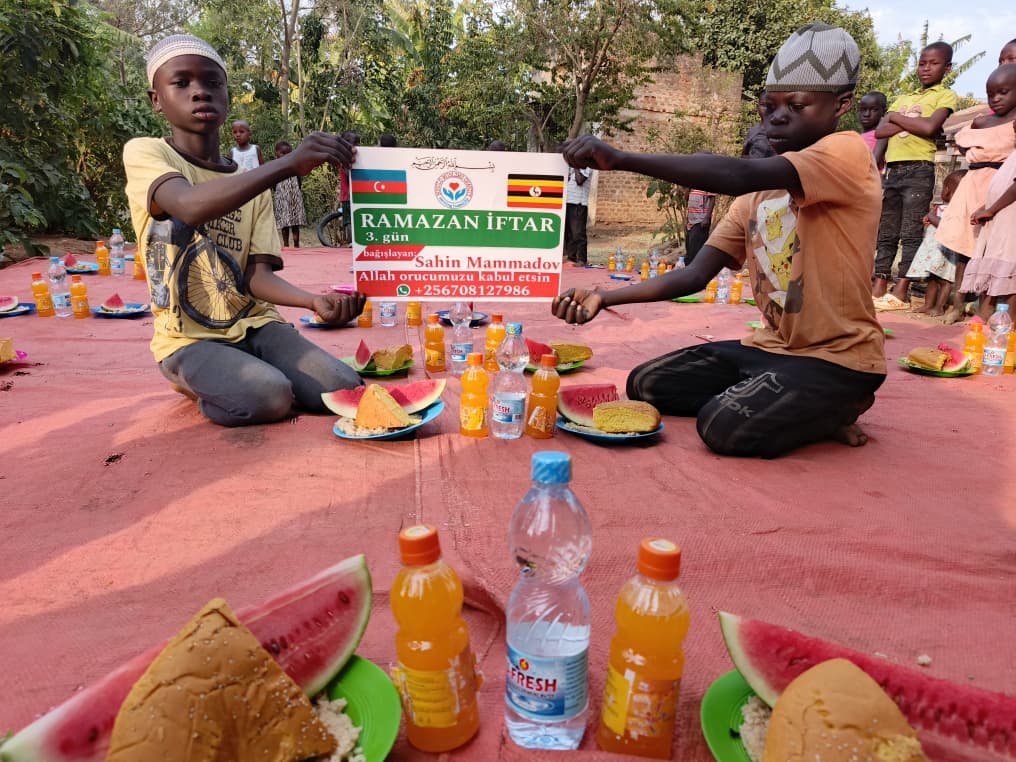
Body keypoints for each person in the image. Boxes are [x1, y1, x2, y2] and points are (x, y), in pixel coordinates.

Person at [552, 23, 885, 459]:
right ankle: (791, 403)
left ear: (841, 105)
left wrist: (622, 159)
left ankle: (837, 407)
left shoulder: (848, 153)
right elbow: (693, 276)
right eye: (768, 107)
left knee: (720, 426)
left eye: (796, 105)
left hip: (840, 359)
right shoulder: (753, 201)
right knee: (646, 383)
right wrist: (604, 296)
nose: (776, 118)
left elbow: (736, 173)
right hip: (775, 349)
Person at [123, 34, 365, 427]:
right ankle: (203, 383)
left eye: (212, 82)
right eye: (181, 82)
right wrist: (287, 165)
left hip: (257, 324)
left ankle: (248, 368)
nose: (199, 91)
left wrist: (313, 302)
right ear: (156, 99)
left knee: (343, 389)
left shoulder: (252, 183)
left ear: (227, 95)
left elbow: (256, 277)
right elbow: (187, 205)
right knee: (270, 396)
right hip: (188, 339)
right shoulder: (147, 152)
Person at [872, 42, 958, 308]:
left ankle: (901, 290)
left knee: (910, 232)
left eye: (934, 63)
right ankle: (879, 285)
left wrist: (897, 119)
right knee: (887, 231)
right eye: (922, 63)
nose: (926, 68)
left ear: (947, 68)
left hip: (919, 169)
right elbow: (880, 131)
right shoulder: (903, 98)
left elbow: (930, 127)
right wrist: (913, 123)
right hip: (894, 169)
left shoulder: (945, 96)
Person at [936, 64, 1016, 321]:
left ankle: (986, 308)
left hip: (1002, 190)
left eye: (1003, 92)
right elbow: (962, 142)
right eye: (991, 93)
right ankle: (957, 304)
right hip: (973, 186)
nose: (996, 99)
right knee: (965, 248)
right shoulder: (981, 122)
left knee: (993, 251)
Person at [960, 90, 1016, 318]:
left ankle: (1007, 325)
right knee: (994, 268)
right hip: (999, 217)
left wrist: (991, 209)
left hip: (1009, 220)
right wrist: (986, 206)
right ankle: (983, 319)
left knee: (1008, 271)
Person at [906, 170, 965, 316]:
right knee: (932, 279)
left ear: (949, 190)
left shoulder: (955, 211)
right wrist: (929, 220)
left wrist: (930, 216)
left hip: (946, 253)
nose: (944, 191)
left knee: (945, 281)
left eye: (945, 188)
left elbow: (943, 225)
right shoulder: (942, 208)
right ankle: (928, 305)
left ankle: (939, 307)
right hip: (934, 250)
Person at [271, 140, 306, 248]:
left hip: (295, 198)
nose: (285, 155)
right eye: (282, 153)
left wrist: (296, 193)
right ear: (276, 153)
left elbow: (299, 181)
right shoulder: (275, 166)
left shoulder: (295, 165)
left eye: (288, 153)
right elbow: (273, 182)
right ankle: (286, 245)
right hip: (281, 198)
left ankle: (296, 245)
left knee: (295, 223)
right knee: (284, 223)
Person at [564, 162, 592, 265]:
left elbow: (580, 180)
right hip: (568, 201)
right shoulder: (572, 166)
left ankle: (581, 259)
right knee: (569, 233)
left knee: (578, 233)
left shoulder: (588, 165)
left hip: (579, 203)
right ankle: (571, 257)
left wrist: (575, 166)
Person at [338, 130, 359, 242]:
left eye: (358, 143)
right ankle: (352, 243)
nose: (357, 146)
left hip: (358, 196)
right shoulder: (344, 158)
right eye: (354, 143)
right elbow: (347, 174)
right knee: (349, 222)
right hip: (348, 197)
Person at [684, 188, 716, 264]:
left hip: (701, 221)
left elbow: (712, 199)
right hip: (691, 222)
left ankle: (695, 269)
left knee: (695, 252)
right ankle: (690, 268)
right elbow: (686, 198)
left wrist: (707, 218)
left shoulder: (708, 182)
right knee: (689, 250)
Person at [857, 91, 887, 168]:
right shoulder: (859, 136)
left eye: (874, 110)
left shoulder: (882, 135)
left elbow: (872, 163)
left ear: (884, 112)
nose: (867, 114)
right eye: (863, 109)